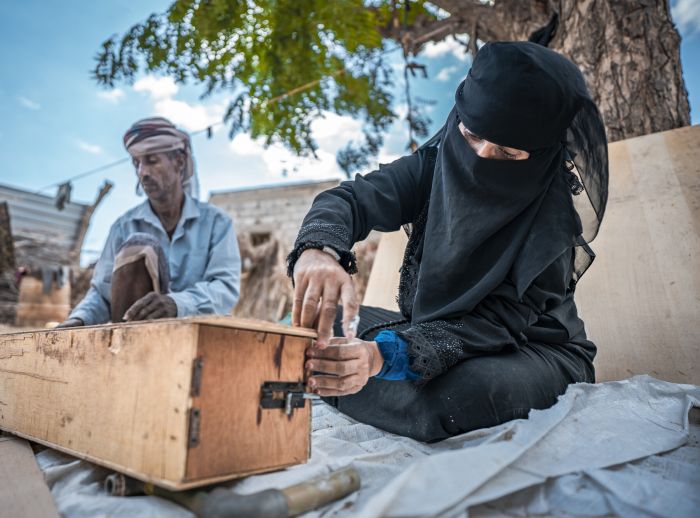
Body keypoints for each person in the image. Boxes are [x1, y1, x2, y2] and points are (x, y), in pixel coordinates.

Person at [287, 42, 609, 442]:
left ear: (541, 154)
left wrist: (380, 356)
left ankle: (346, 381)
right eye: (472, 135)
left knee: (458, 397)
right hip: (425, 330)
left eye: (507, 153)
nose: (480, 157)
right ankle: (356, 379)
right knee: (314, 325)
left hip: (528, 351)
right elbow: (351, 200)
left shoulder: (552, 226)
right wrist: (319, 251)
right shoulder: (432, 166)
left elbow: (494, 325)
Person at [58, 117, 241, 327]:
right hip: (136, 338)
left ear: (179, 162)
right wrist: (78, 319)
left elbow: (225, 288)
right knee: (138, 245)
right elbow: (102, 293)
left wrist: (176, 304)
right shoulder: (123, 226)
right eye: (137, 163)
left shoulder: (217, 223)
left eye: (152, 161)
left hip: (197, 336)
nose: (142, 173)